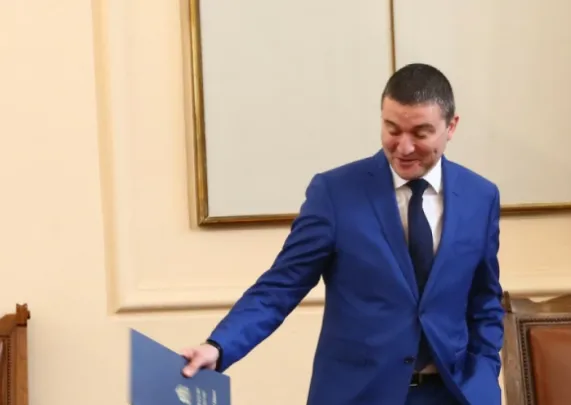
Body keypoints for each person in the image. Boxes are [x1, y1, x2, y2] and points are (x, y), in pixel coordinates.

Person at [181, 63, 504, 405]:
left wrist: (484, 375)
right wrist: (219, 346)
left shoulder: (480, 197)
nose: (404, 147)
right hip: (359, 396)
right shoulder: (334, 193)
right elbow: (280, 287)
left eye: (420, 134)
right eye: (392, 129)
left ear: (451, 126)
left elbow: (485, 301)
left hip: (453, 394)